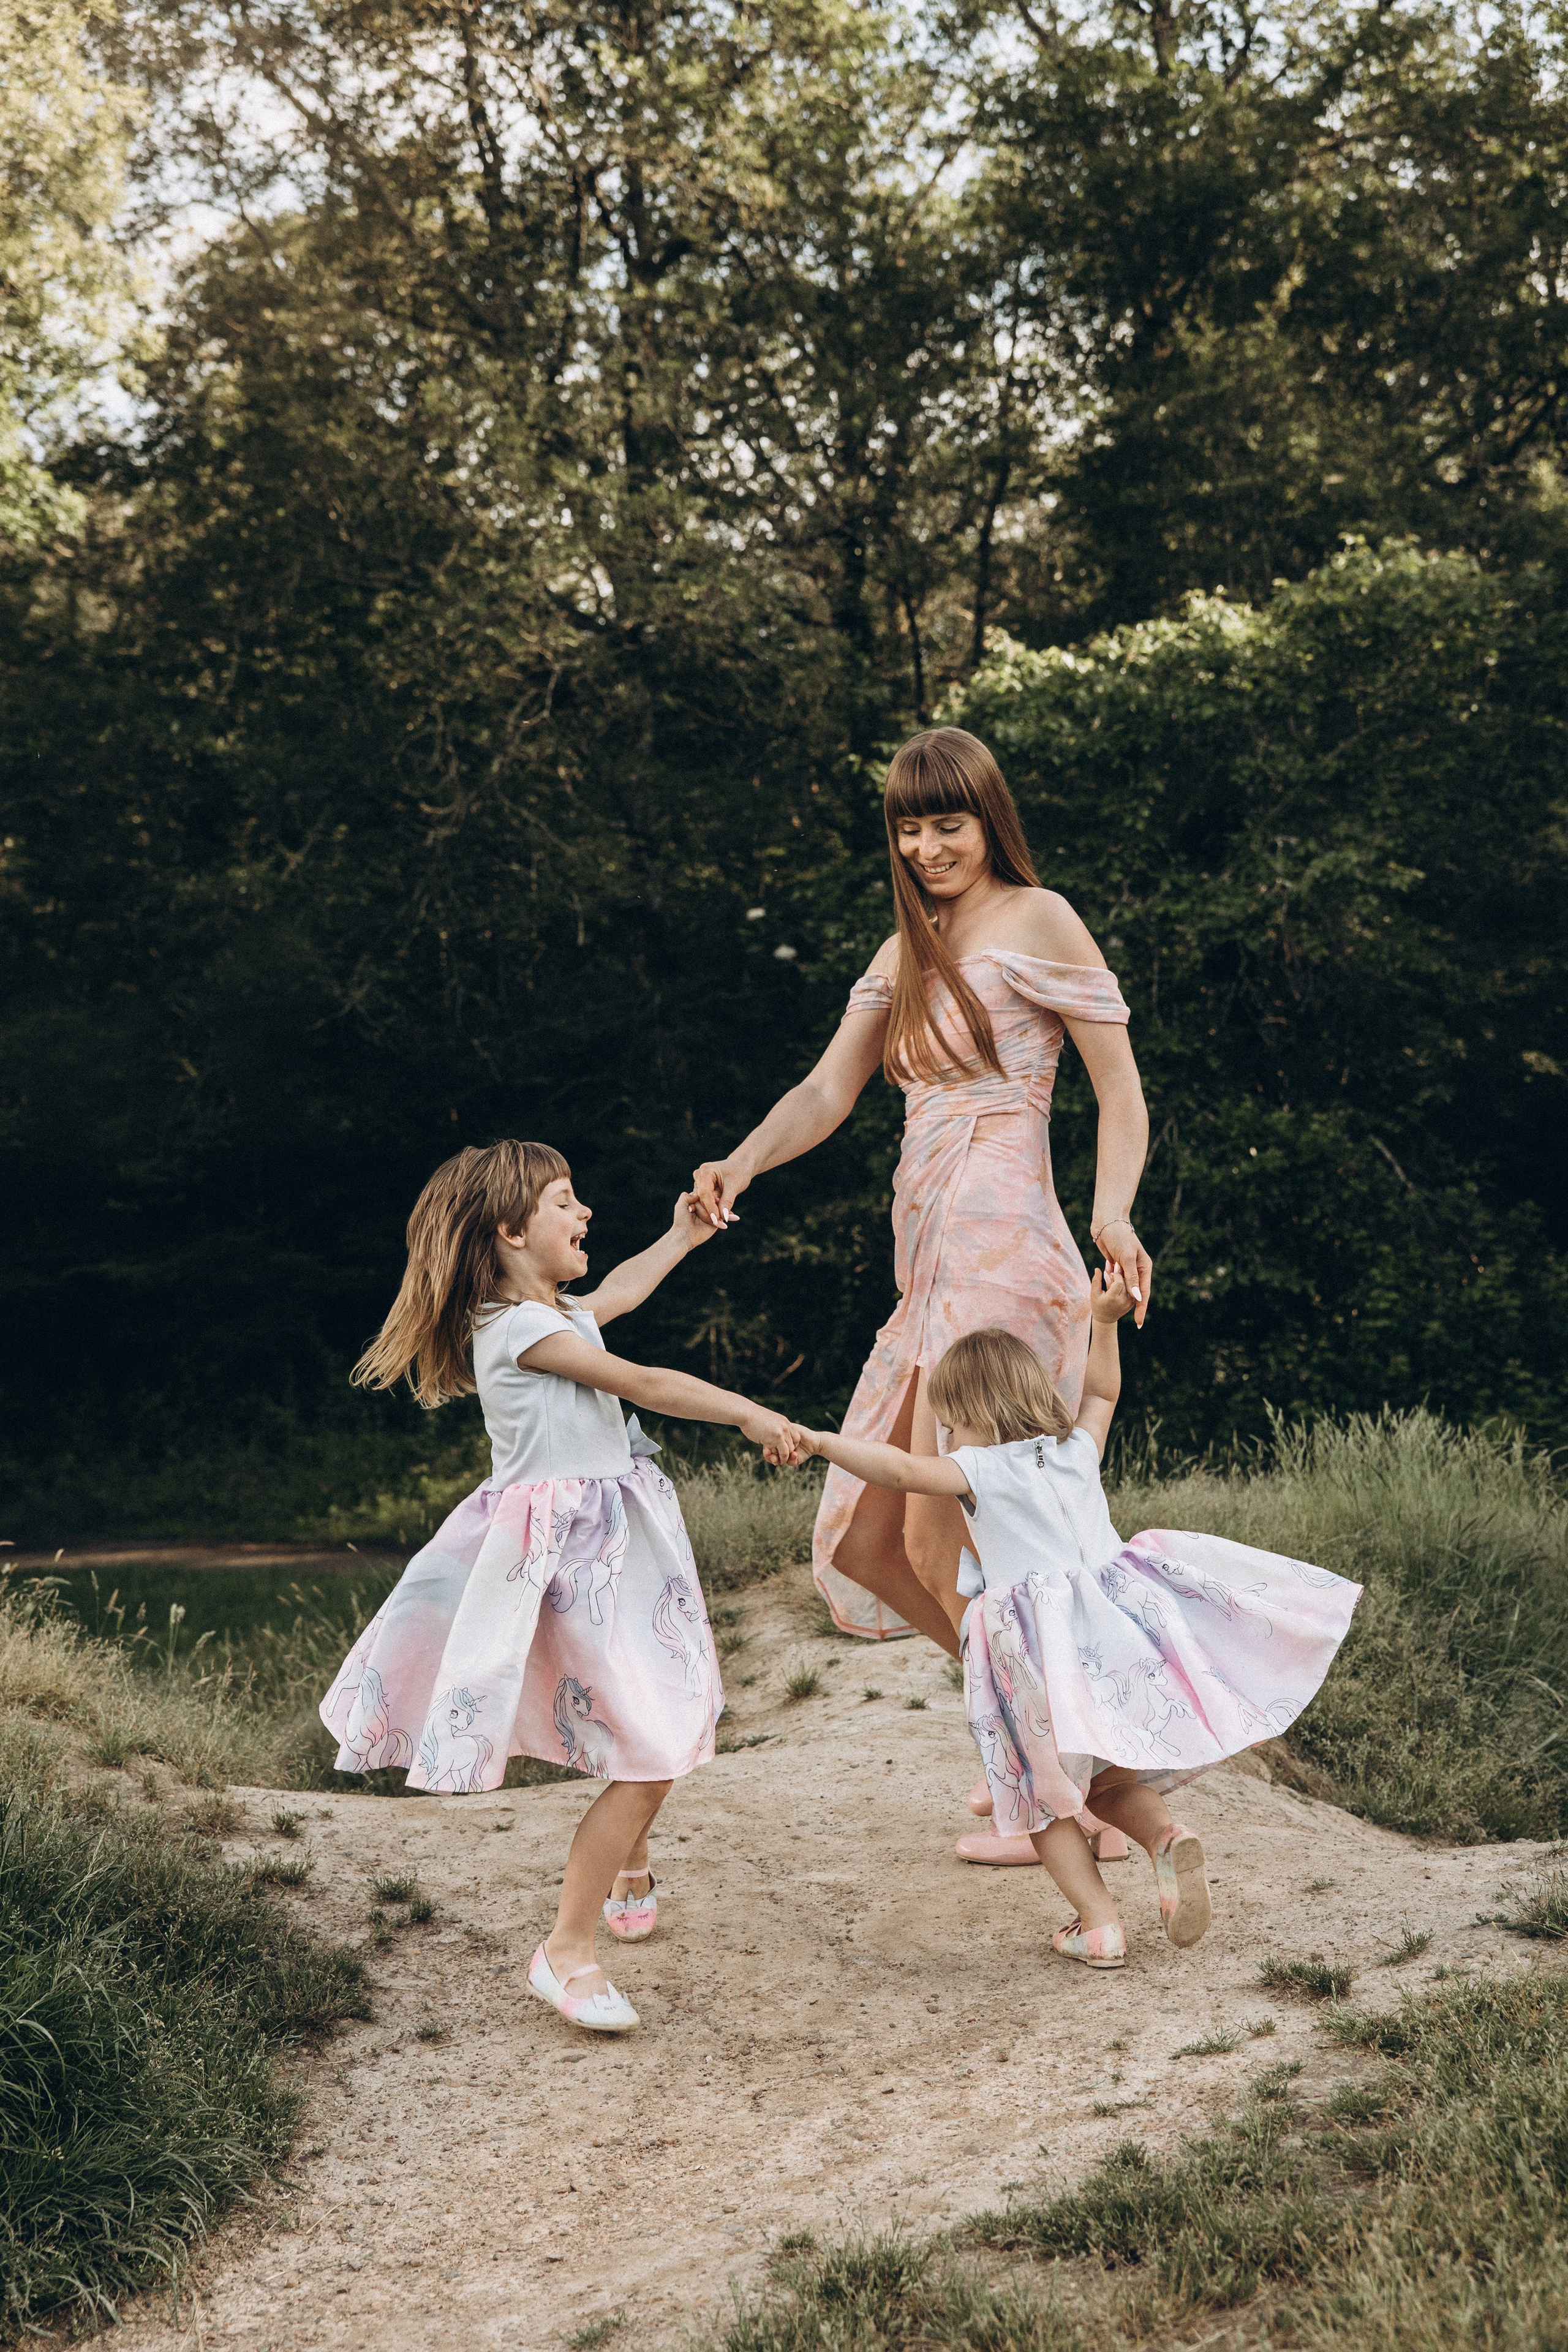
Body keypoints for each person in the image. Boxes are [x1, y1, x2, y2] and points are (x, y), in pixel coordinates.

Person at [691, 725, 1152, 1863]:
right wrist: (740, 1163)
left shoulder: (1039, 918)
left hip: (1004, 1246)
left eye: (948, 821)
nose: (929, 844)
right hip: (929, 1250)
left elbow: (1120, 1086)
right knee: (871, 1543)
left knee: (950, 1541)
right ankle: (1042, 1754)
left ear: (989, 818)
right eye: (909, 825)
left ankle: (1056, 1790)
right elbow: (824, 1089)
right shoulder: (908, 945)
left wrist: (1113, 1211)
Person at [321, 1140, 793, 2034]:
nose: (584, 1215)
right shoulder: (517, 1329)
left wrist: (681, 1237)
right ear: (509, 1230)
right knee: (655, 1740)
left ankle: (627, 1868)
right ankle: (566, 1951)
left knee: (647, 1716)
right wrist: (747, 1411)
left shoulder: (552, 1312)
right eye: (565, 1202)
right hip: (569, 1564)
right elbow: (644, 1382)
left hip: (612, 1550)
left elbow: (614, 1297)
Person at [775, 1273, 1361, 1968]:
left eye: (947, 1419)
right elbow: (1103, 1392)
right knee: (1113, 1783)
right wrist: (1102, 1320)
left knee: (1041, 1797)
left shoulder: (976, 1469)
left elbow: (900, 1471)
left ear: (968, 1415)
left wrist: (820, 1442)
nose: (944, 1433)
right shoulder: (1076, 1450)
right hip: (1114, 1636)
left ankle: (1098, 1924)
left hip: (1036, 1651)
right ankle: (1166, 1839)